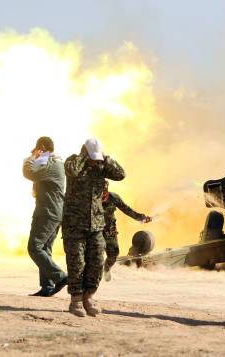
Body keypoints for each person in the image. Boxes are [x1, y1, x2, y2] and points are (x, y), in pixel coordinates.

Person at [62, 138, 126, 317]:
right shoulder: (74, 162)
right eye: (93, 157)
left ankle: (89, 297)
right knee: (77, 264)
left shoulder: (102, 167)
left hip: (96, 225)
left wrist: (105, 159)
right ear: (84, 152)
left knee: (97, 262)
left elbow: (121, 174)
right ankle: (76, 300)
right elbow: (72, 171)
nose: (95, 161)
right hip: (74, 225)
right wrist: (84, 156)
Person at [22, 136, 68, 297]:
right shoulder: (54, 163)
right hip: (52, 211)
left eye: (38, 150)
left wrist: (31, 157)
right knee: (45, 249)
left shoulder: (52, 165)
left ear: (41, 147)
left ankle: (60, 277)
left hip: (48, 212)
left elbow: (29, 172)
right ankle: (47, 287)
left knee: (34, 247)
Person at [101, 181, 152, 282]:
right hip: (95, 232)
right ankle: (93, 279)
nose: (102, 194)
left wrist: (141, 218)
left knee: (113, 254)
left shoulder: (114, 197)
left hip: (110, 232)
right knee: (96, 255)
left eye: (104, 191)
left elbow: (126, 209)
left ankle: (106, 269)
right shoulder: (91, 199)